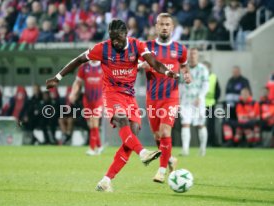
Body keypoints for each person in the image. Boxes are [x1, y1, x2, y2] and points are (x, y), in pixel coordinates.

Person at [46, 19, 190, 192]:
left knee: (130, 139)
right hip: (112, 94)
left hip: (130, 97)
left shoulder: (137, 46)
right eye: (112, 38)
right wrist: (58, 77)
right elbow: (78, 60)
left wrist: (168, 72)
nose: (115, 41)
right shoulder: (102, 48)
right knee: (121, 120)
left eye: (118, 38)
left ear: (126, 34)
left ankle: (107, 180)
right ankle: (143, 153)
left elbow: (154, 62)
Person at [138, 13, 191, 183]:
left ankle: (161, 171)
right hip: (152, 98)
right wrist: (142, 66)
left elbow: (183, 65)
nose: (164, 27)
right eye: (161, 24)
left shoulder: (180, 49)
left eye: (168, 24)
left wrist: (187, 74)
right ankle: (169, 159)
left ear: (172, 27)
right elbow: (136, 65)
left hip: (171, 97)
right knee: (157, 136)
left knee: (165, 131)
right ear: (156, 26)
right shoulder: (146, 47)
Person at [69, 60, 104, 155]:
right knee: (90, 124)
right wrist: (73, 93)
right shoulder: (84, 67)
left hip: (99, 99)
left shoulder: (103, 65)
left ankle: (92, 149)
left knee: (94, 122)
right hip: (87, 100)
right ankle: (100, 146)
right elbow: (77, 82)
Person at [180, 48, 209, 156]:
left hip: (198, 101)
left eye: (194, 54)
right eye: (191, 54)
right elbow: (181, 85)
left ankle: (202, 149)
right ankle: (185, 150)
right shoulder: (184, 69)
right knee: (185, 124)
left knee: (200, 125)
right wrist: (179, 98)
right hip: (186, 101)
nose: (192, 56)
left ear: (198, 56)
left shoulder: (203, 69)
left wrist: (200, 97)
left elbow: (206, 85)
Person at [204, 61, 221, 147]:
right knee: (201, 125)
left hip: (211, 104)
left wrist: (215, 99)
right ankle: (203, 143)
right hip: (201, 105)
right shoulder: (199, 77)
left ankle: (211, 142)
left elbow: (218, 91)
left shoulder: (214, 77)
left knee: (211, 125)